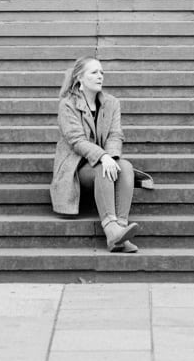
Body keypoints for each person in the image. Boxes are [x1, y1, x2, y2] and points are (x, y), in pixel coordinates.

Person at [50, 55, 141, 252]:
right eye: (94, 72)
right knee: (103, 168)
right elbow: (76, 141)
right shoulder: (67, 104)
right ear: (79, 78)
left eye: (102, 72)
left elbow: (116, 135)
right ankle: (111, 228)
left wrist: (111, 156)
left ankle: (120, 231)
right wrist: (103, 156)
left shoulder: (112, 103)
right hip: (78, 167)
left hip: (103, 162)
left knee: (125, 166)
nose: (100, 76)